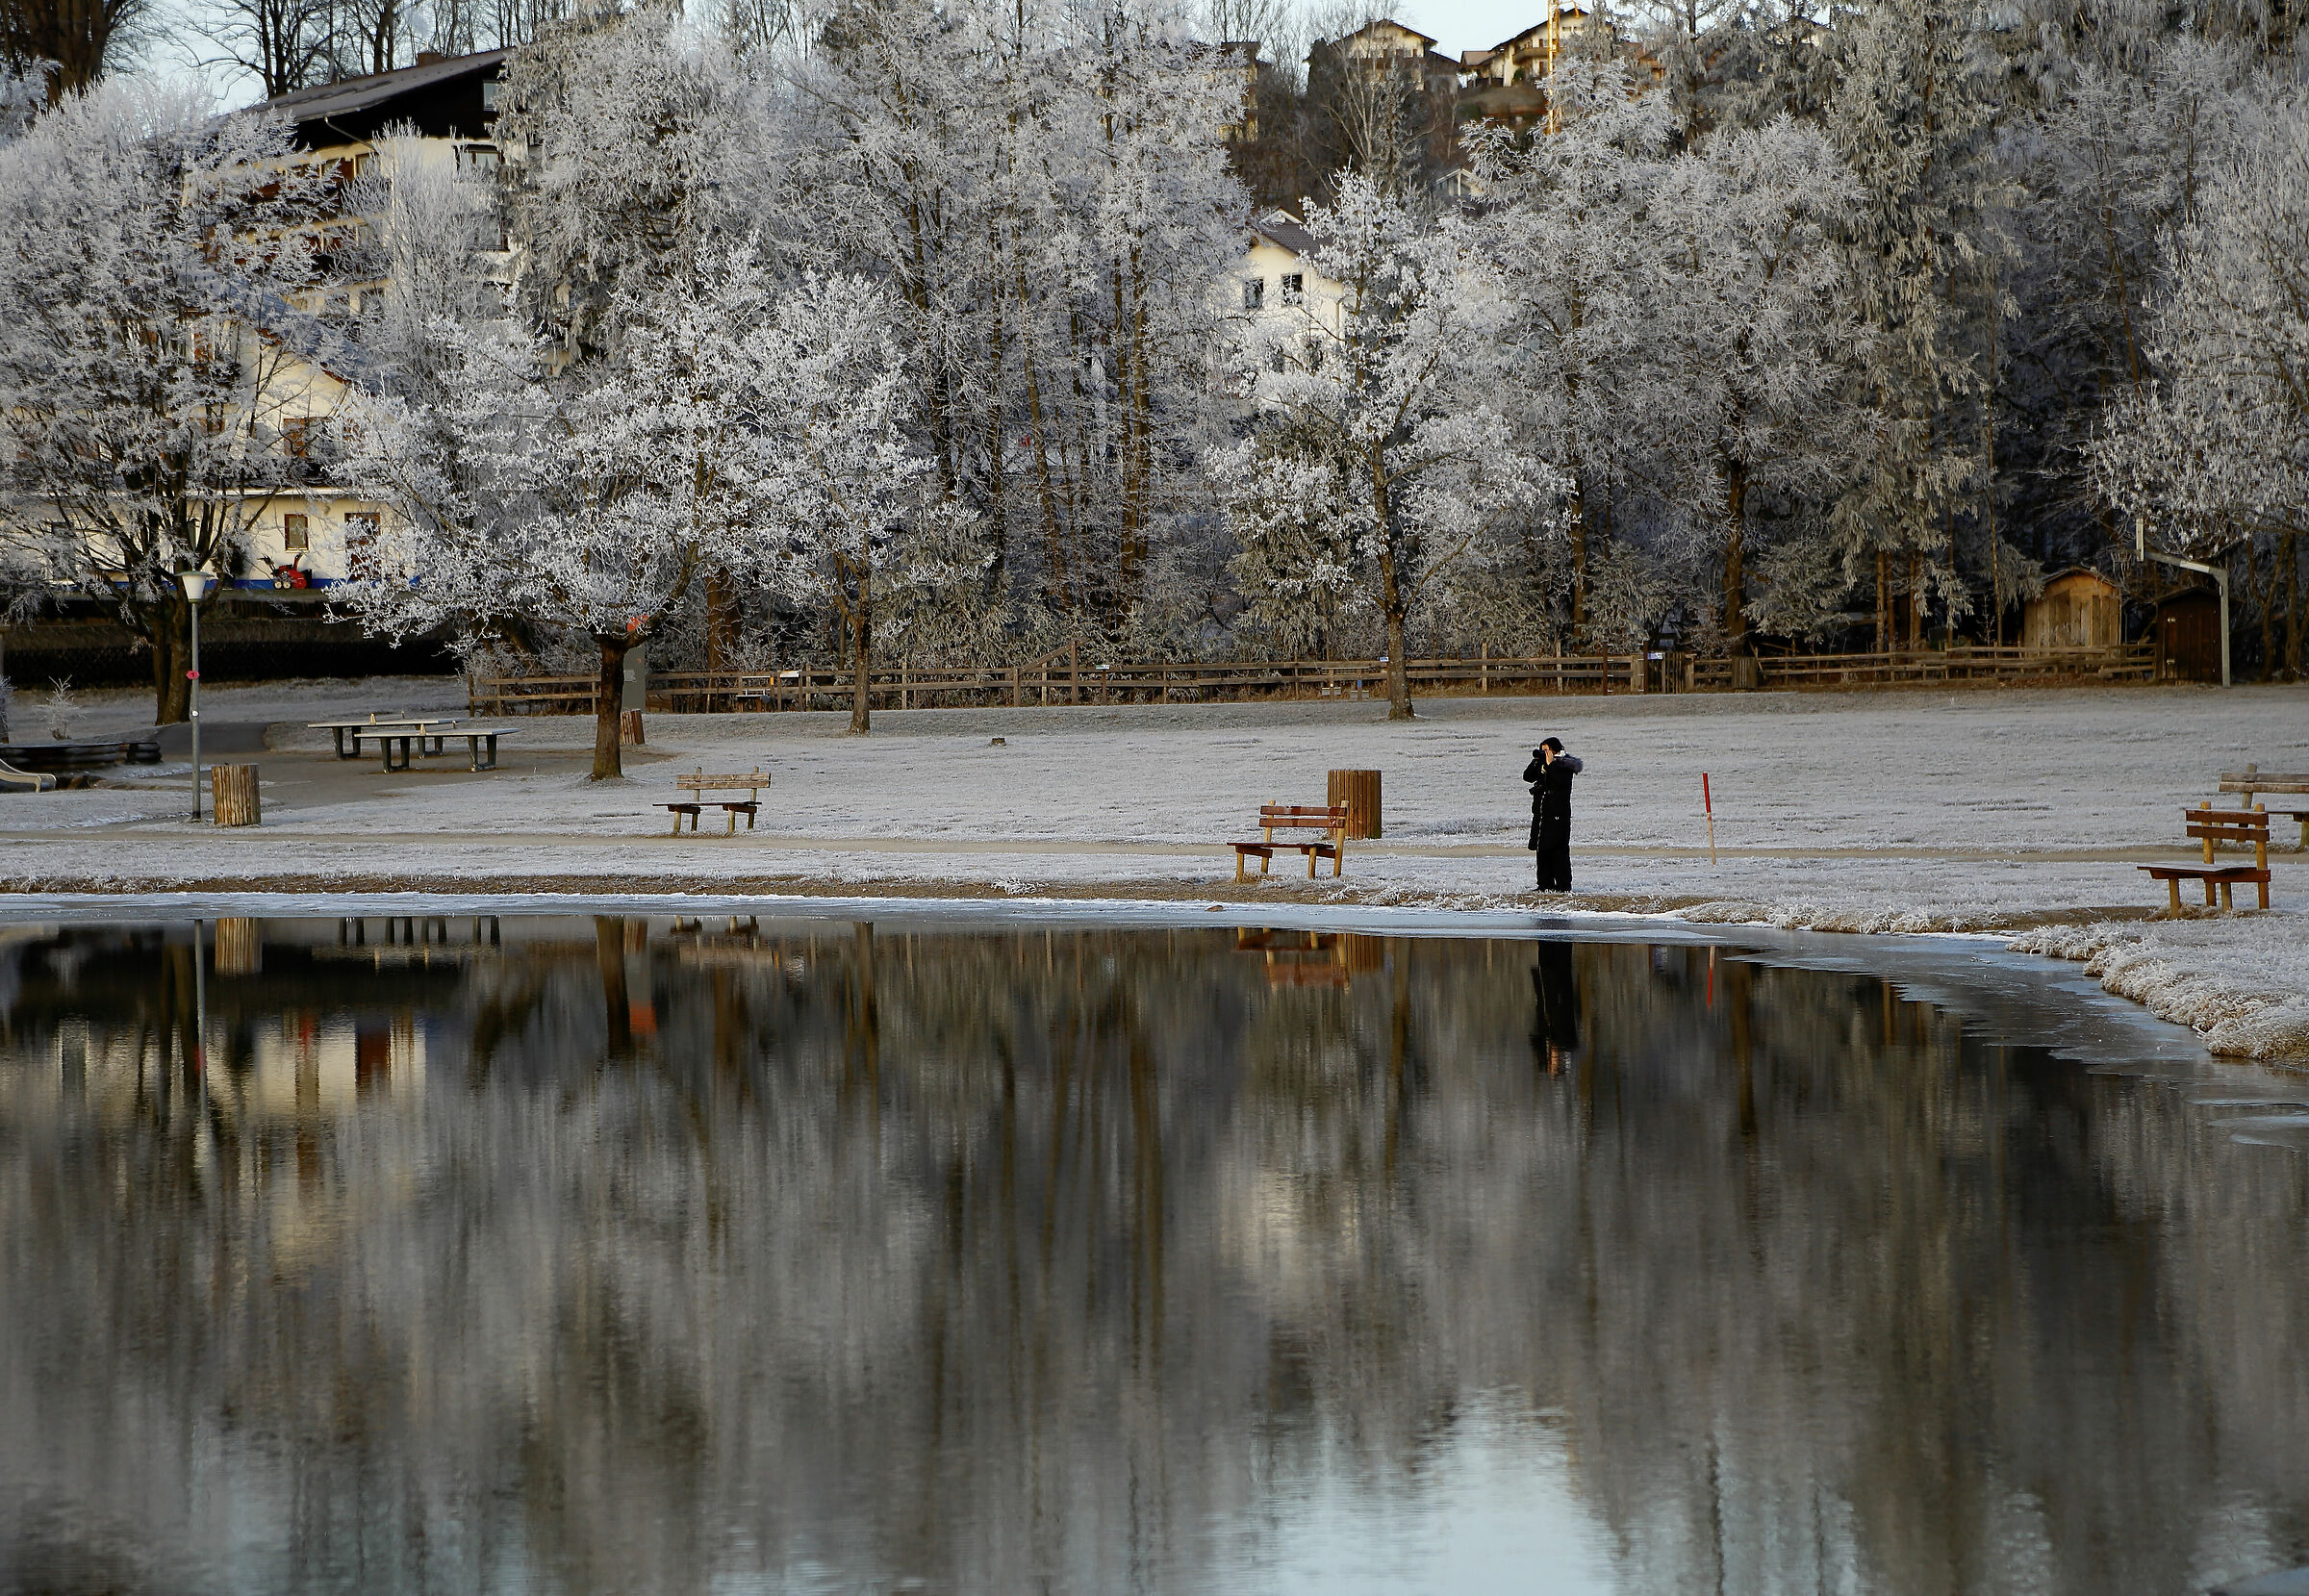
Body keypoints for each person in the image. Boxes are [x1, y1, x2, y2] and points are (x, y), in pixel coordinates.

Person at [1522, 736, 1582, 892]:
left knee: (1559, 850)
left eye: (1546, 750)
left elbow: (1558, 782)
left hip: (1557, 815)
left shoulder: (1565, 765)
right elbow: (1527, 777)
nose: (1544, 754)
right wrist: (1536, 760)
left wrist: (1550, 765)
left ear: (1555, 750)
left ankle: (1563, 885)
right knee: (1542, 849)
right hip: (1542, 814)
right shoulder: (1542, 763)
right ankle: (1544, 884)